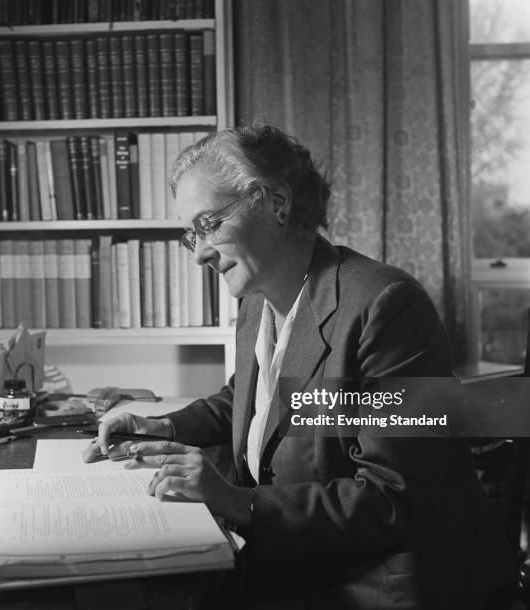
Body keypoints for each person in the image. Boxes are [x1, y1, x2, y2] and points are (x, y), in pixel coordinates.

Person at [82, 124, 516, 609]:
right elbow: (258, 402)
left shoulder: (386, 307)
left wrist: (234, 500)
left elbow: (394, 497)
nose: (200, 252)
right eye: (191, 236)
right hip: (290, 565)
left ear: (276, 203)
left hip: (376, 588)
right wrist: (159, 424)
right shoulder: (257, 302)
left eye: (209, 225)